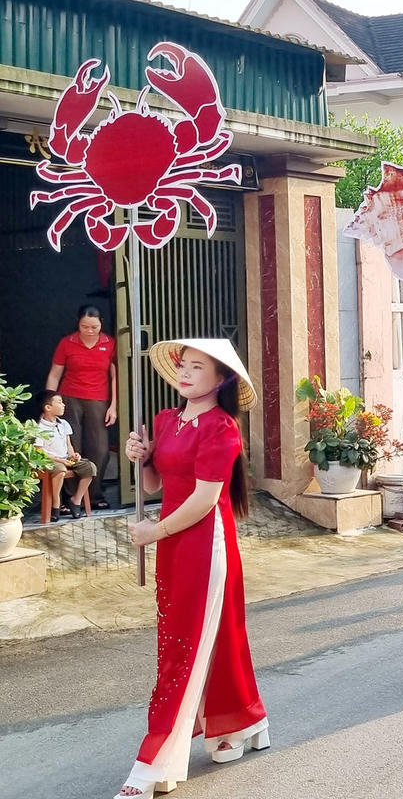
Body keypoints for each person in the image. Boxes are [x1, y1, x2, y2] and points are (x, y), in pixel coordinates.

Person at [116, 339, 267, 799]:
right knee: (212, 636)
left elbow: (204, 500)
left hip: (205, 543)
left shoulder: (222, 429)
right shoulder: (165, 420)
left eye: (198, 367)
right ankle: (246, 720)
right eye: (183, 365)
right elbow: (156, 482)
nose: (185, 373)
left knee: (184, 646)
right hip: (173, 544)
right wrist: (140, 458)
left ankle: (154, 764)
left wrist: (154, 531)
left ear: (220, 380)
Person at [45, 304, 117, 509]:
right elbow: (54, 374)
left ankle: (93, 495)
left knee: (99, 449)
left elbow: (115, 377)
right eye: (85, 326)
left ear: (101, 323)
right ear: (78, 323)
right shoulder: (67, 343)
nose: (90, 330)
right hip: (70, 399)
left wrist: (114, 406)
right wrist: (49, 404)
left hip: (98, 399)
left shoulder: (110, 343)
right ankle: (69, 497)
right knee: (70, 447)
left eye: (94, 327)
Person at [32, 390, 97, 520]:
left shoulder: (64, 424)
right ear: (48, 407)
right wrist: (60, 461)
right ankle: (56, 503)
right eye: (59, 402)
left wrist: (74, 455)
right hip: (49, 461)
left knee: (90, 467)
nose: (63, 405)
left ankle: (76, 500)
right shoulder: (39, 428)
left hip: (65, 459)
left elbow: (69, 445)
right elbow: (39, 452)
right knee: (60, 470)